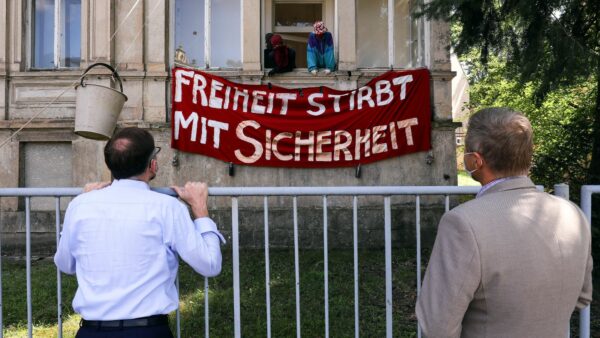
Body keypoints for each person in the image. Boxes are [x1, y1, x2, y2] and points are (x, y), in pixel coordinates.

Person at [416, 108, 592, 338]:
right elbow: (583, 296)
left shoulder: (462, 223)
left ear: (475, 160)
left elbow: (437, 325)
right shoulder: (573, 214)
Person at [54, 127, 225, 338]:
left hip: (92, 331)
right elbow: (209, 265)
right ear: (153, 163)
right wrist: (200, 210)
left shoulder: (80, 205)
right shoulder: (167, 207)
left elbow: (65, 264)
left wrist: (82, 201)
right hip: (148, 331)